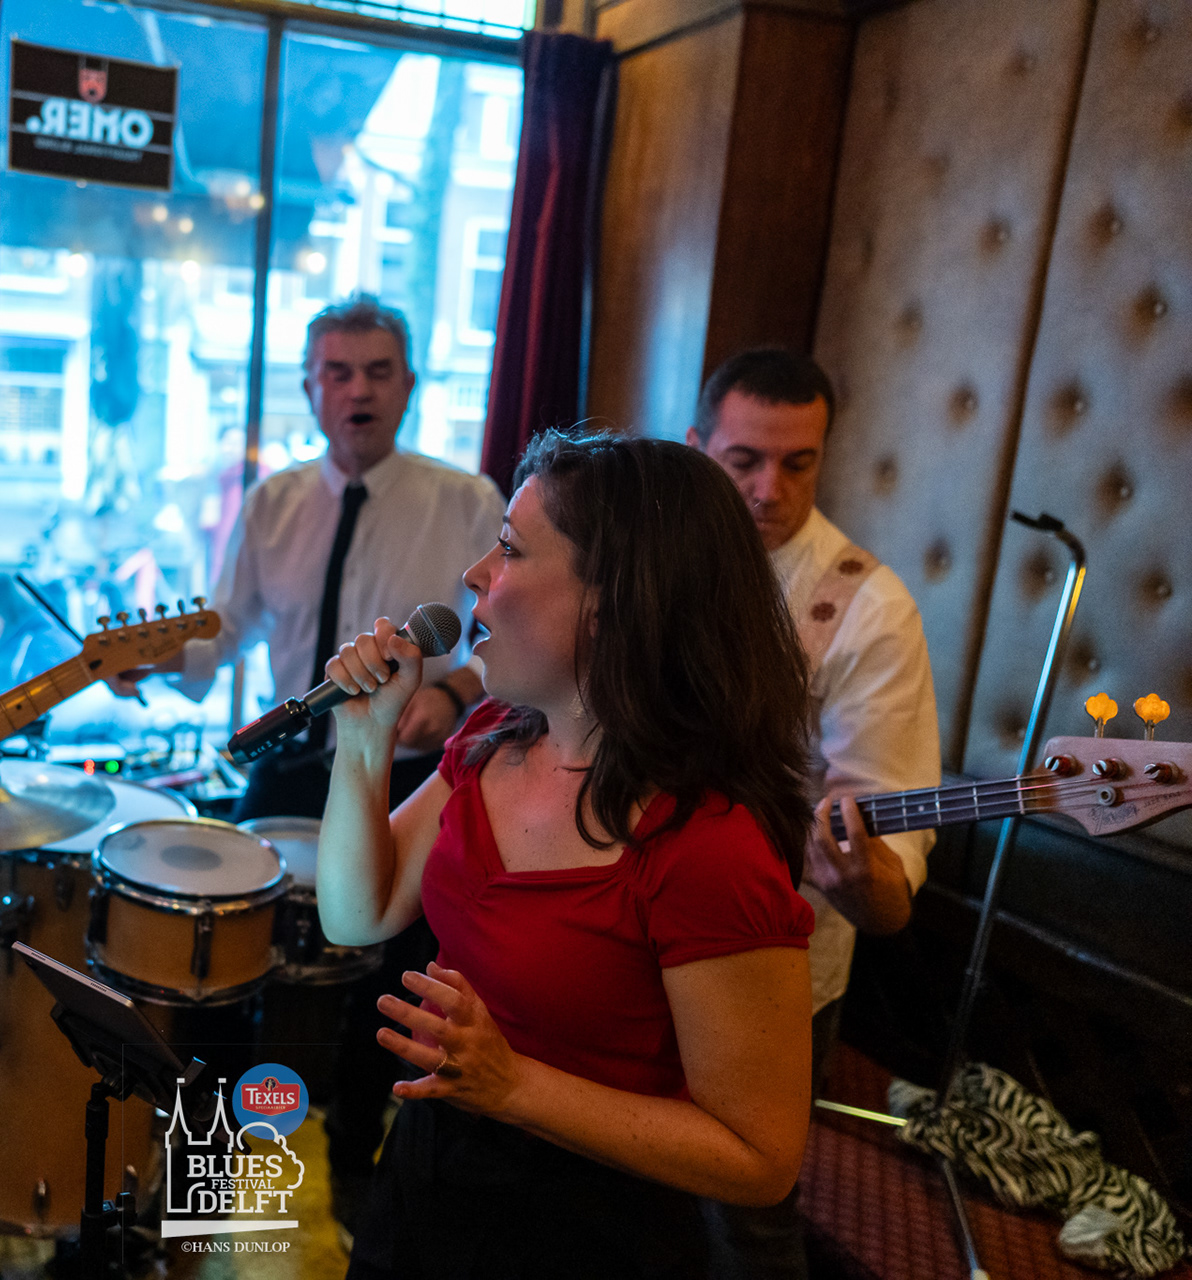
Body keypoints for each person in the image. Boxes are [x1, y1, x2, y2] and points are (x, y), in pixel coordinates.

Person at [316, 429, 818, 1278]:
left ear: (615, 600)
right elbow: (356, 912)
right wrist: (363, 745)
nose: (475, 575)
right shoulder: (492, 739)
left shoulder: (705, 844)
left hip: (583, 1229)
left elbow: (760, 1158)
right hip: (430, 1173)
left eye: (509, 549)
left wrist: (515, 1087)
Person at [113, 294, 504, 1229]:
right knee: (226, 969)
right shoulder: (272, 503)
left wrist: (447, 698)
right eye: (338, 373)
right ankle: (214, 1174)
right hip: (291, 764)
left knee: (387, 983)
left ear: (408, 385)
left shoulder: (469, 502)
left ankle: (356, 1163)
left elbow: (497, 642)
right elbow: (221, 639)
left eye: (377, 372)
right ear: (310, 389)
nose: (357, 390)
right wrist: (149, 660)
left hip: (414, 775)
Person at [688, 348, 939, 1280]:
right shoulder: (649, 559)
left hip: (768, 962)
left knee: (745, 1220)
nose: (768, 488)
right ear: (696, 446)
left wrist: (867, 873)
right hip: (629, 932)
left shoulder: (869, 607)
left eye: (798, 463)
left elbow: (885, 853)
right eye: (743, 460)